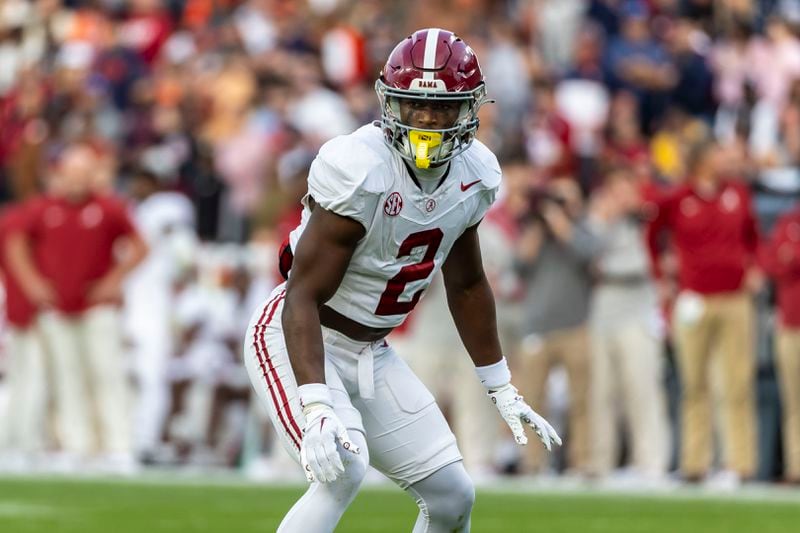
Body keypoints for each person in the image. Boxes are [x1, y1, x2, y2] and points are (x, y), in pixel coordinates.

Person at [242, 29, 561, 533]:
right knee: (343, 471)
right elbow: (301, 294)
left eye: (442, 108)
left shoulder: (475, 174)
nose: (428, 121)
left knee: (452, 496)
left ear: (470, 109)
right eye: (416, 106)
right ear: (391, 103)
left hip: (372, 350)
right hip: (299, 335)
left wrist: (500, 386)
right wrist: (318, 403)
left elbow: (468, 283)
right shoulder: (361, 167)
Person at [5, 143, 148, 470]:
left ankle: (118, 445)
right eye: (71, 173)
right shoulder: (44, 208)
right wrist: (33, 284)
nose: (76, 180)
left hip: (96, 306)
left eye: (82, 173)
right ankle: (76, 444)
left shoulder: (108, 208)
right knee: (66, 378)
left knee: (107, 374)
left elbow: (140, 246)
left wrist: (114, 280)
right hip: (57, 307)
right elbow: (16, 245)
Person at [646, 139, 761, 484]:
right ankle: (695, 463)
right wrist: (660, 275)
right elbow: (653, 235)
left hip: (735, 299)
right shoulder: (678, 199)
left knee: (736, 382)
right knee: (694, 382)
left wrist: (753, 266)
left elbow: (753, 236)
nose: (724, 160)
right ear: (700, 162)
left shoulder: (738, 193)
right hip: (693, 299)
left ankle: (740, 464)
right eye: (716, 155)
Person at [761, 207, 800, 484]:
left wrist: (792, 256)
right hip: (790, 323)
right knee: (793, 402)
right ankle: (796, 467)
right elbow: (773, 265)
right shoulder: (788, 221)